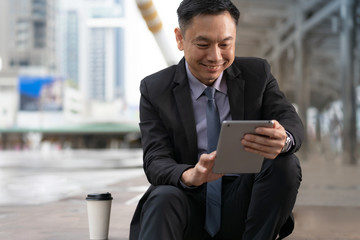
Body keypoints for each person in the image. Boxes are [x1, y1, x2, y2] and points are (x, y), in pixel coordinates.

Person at [129, 0, 304, 239]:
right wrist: (190, 175)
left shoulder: (257, 74)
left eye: (225, 44)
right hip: (187, 203)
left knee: (285, 163)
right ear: (180, 39)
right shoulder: (155, 89)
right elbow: (155, 159)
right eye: (203, 44)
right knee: (163, 197)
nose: (215, 57)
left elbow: (289, 119)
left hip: (243, 201)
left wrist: (284, 139)